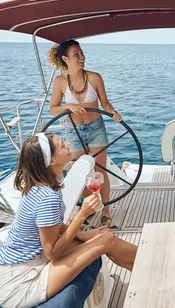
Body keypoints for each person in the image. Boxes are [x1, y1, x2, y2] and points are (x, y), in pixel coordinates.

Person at [0, 133, 137, 308]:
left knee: (103, 236)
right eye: (62, 146)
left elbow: (53, 225)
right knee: (105, 240)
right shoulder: (47, 197)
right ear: (52, 161)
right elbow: (52, 252)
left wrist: (83, 235)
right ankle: (148, 259)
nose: (68, 144)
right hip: (21, 283)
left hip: (32, 263)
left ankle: (146, 271)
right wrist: (82, 215)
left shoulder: (39, 187)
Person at [48, 39, 121, 226]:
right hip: (73, 132)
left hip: (96, 128)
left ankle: (105, 210)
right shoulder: (60, 82)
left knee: (100, 171)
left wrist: (112, 112)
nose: (82, 57)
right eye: (76, 55)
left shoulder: (95, 78)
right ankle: (89, 207)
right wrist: (69, 106)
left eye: (82, 53)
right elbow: (53, 109)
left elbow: (105, 104)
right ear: (65, 58)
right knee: (79, 173)